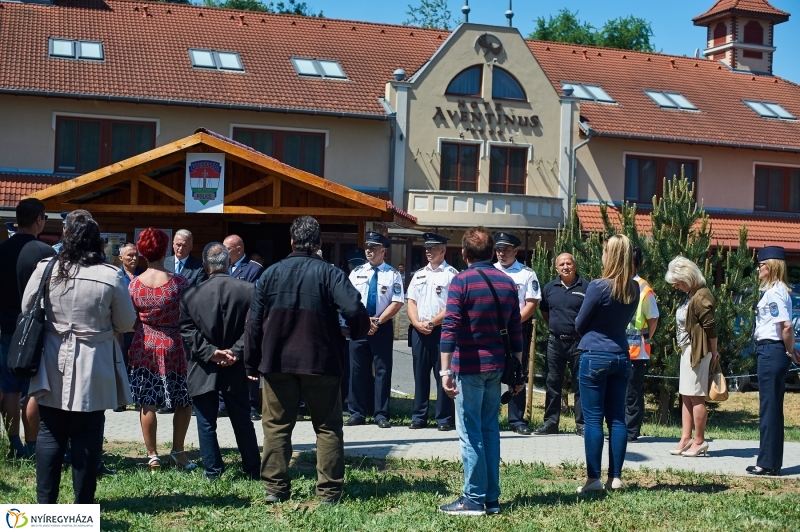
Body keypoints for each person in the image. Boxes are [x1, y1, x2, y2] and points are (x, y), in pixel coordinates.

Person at [245, 216, 370, 504]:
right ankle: (328, 493)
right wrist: (356, 332)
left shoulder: (270, 274)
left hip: (276, 362)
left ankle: (274, 490)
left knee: (276, 427)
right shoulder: (331, 273)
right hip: (321, 361)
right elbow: (354, 309)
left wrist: (251, 362)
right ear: (319, 243)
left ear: (291, 241)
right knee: (327, 428)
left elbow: (253, 323)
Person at [22, 210, 135, 503]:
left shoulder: (47, 268)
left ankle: (45, 508)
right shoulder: (110, 275)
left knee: (50, 433)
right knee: (87, 434)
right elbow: (126, 322)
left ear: (66, 237)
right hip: (94, 361)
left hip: (52, 357)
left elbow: (27, 308)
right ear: (96, 241)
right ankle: (82, 507)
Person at [438, 227, 522, 516]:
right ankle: (492, 498)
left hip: (469, 366)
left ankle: (473, 498)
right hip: (497, 366)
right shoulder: (508, 283)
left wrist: (444, 370)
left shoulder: (460, 281)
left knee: (470, 431)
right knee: (489, 430)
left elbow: (449, 326)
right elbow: (515, 330)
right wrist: (518, 371)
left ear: (464, 254)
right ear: (490, 252)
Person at [179, 242, 260, 481]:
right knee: (242, 421)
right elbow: (254, 328)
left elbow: (186, 329)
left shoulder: (190, 294)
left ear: (204, 266)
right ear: (229, 263)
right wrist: (235, 351)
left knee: (206, 423)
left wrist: (210, 352)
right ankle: (253, 469)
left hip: (203, 366)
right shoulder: (249, 290)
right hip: (235, 366)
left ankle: (213, 471)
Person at [128, 227, 197, 472]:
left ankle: (152, 455)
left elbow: (130, 318)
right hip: (173, 344)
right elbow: (190, 315)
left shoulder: (134, 284)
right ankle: (178, 451)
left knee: (147, 401)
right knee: (184, 399)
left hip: (143, 343)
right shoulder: (180, 282)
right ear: (165, 248)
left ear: (142, 251)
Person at [574, 234, 639, 493]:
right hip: (621, 355)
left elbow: (580, 323)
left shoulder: (599, 286)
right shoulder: (634, 287)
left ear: (610, 255)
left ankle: (593, 478)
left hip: (594, 353)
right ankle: (616, 477)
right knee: (617, 419)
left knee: (592, 420)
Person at [0, 198, 49, 459]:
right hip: (35, 330)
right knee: (33, 389)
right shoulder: (45, 252)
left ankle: (13, 443)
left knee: (10, 388)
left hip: (6, 328)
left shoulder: (2, 250)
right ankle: (32, 447)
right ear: (39, 219)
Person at [345, 231, 404, 428]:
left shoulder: (393, 274)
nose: (368, 250)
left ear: (383, 251)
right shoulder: (357, 272)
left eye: (373, 247)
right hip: (360, 327)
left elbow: (396, 302)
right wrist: (364, 320)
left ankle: (381, 414)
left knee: (382, 370)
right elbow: (350, 299)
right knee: (357, 371)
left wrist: (377, 321)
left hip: (382, 328)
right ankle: (357, 412)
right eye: (367, 247)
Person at [665, 256, 719, 459]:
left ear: (687, 277)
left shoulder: (702, 295)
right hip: (687, 349)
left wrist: (714, 352)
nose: (676, 286)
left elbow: (710, 326)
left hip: (698, 351)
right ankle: (686, 438)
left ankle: (699, 440)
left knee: (696, 396)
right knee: (686, 394)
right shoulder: (690, 294)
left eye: (678, 282)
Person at [748, 246, 793, 476]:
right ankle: (771, 461)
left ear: (772, 266)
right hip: (772, 351)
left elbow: (785, 326)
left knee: (769, 409)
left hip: (771, 351)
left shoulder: (775, 292)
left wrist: (790, 350)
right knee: (772, 408)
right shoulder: (776, 291)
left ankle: (766, 463)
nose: (758, 269)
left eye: (761, 265)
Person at [406, 233, 458, 431]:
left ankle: (444, 418)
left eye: (432, 248)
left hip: (441, 331)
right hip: (419, 331)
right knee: (420, 375)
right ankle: (418, 416)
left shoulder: (451, 274)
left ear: (443, 250)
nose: (427, 251)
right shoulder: (419, 274)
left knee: (442, 374)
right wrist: (416, 322)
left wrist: (432, 323)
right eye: (426, 248)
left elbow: (452, 305)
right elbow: (411, 301)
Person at [493, 231, 541, 435]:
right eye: (498, 250)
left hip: (517, 328)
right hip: (492, 329)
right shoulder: (490, 271)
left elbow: (531, 303)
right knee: (491, 371)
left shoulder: (526, 273)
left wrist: (512, 323)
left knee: (517, 371)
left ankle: (516, 419)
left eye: (506, 250)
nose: (501, 254)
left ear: (515, 251)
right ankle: (490, 416)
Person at [536, 253, 588, 436]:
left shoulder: (586, 287)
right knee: (552, 383)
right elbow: (545, 313)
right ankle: (551, 423)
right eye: (561, 264)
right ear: (556, 268)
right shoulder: (549, 288)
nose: (565, 267)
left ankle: (582, 425)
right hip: (555, 343)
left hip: (578, 343)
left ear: (575, 265)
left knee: (581, 384)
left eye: (569, 263)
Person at [223, 234, 265, 421]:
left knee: (248, 363)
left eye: (227, 249)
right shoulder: (221, 267)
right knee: (224, 359)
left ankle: (251, 404)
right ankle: (222, 403)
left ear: (238, 250)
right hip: (224, 324)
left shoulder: (254, 269)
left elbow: (256, 298)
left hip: (244, 323)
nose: (223, 252)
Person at [625, 247, 659, 442]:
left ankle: (631, 432)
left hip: (637, 351)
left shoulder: (644, 288)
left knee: (632, 393)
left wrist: (647, 338)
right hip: (619, 348)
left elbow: (653, 318)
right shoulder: (619, 284)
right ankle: (620, 428)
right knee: (619, 393)